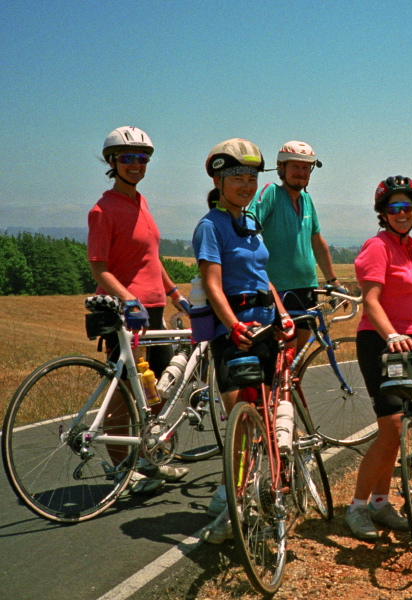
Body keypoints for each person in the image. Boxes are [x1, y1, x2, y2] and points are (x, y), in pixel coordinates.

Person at [192, 139, 295, 543]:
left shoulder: (251, 221)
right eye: (237, 177)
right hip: (234, 332)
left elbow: (260, 274)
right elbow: (212, 285)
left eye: (251, 177)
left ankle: (259, 494)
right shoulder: (210, 226)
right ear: (218, 180)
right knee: (241, 420)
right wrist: (232, 324)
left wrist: (282, 312)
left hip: (267, 326)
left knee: (264, 416)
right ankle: (234, 501)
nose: (246, 184)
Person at [87, 126, 190, 494]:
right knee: (125, 394)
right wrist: (127, 299)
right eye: (127, 158)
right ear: (112, 163)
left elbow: (151, 257)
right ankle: (122, 469)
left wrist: (175, 292)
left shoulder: (141, 202)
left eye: (142, 158)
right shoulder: (103, 210)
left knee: (156, 389)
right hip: (126, 314)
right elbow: (99, 267)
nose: (135, 164)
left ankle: (148, 457)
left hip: (155, 310)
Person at [344, 176, 412, 540]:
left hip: (410, 342)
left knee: (403, 429)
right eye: (394, 208)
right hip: (381, 342)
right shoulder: (376, 247)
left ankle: (381, 502)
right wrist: (392, 334)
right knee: (392, 427)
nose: (402, 214)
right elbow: (371, 301)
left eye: (407, 208)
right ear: (383, 213)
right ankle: (357, 507)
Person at [248, 141, 343, 338]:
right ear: (281, 168)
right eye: (295, 167)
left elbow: (317, 242)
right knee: (281, 349)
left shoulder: (306, 200)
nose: (301, 172)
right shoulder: (270, 192)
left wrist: (333, 281)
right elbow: (248, 226)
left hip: (306, 287)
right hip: (277, 288)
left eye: (306, 167)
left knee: (298, 352)